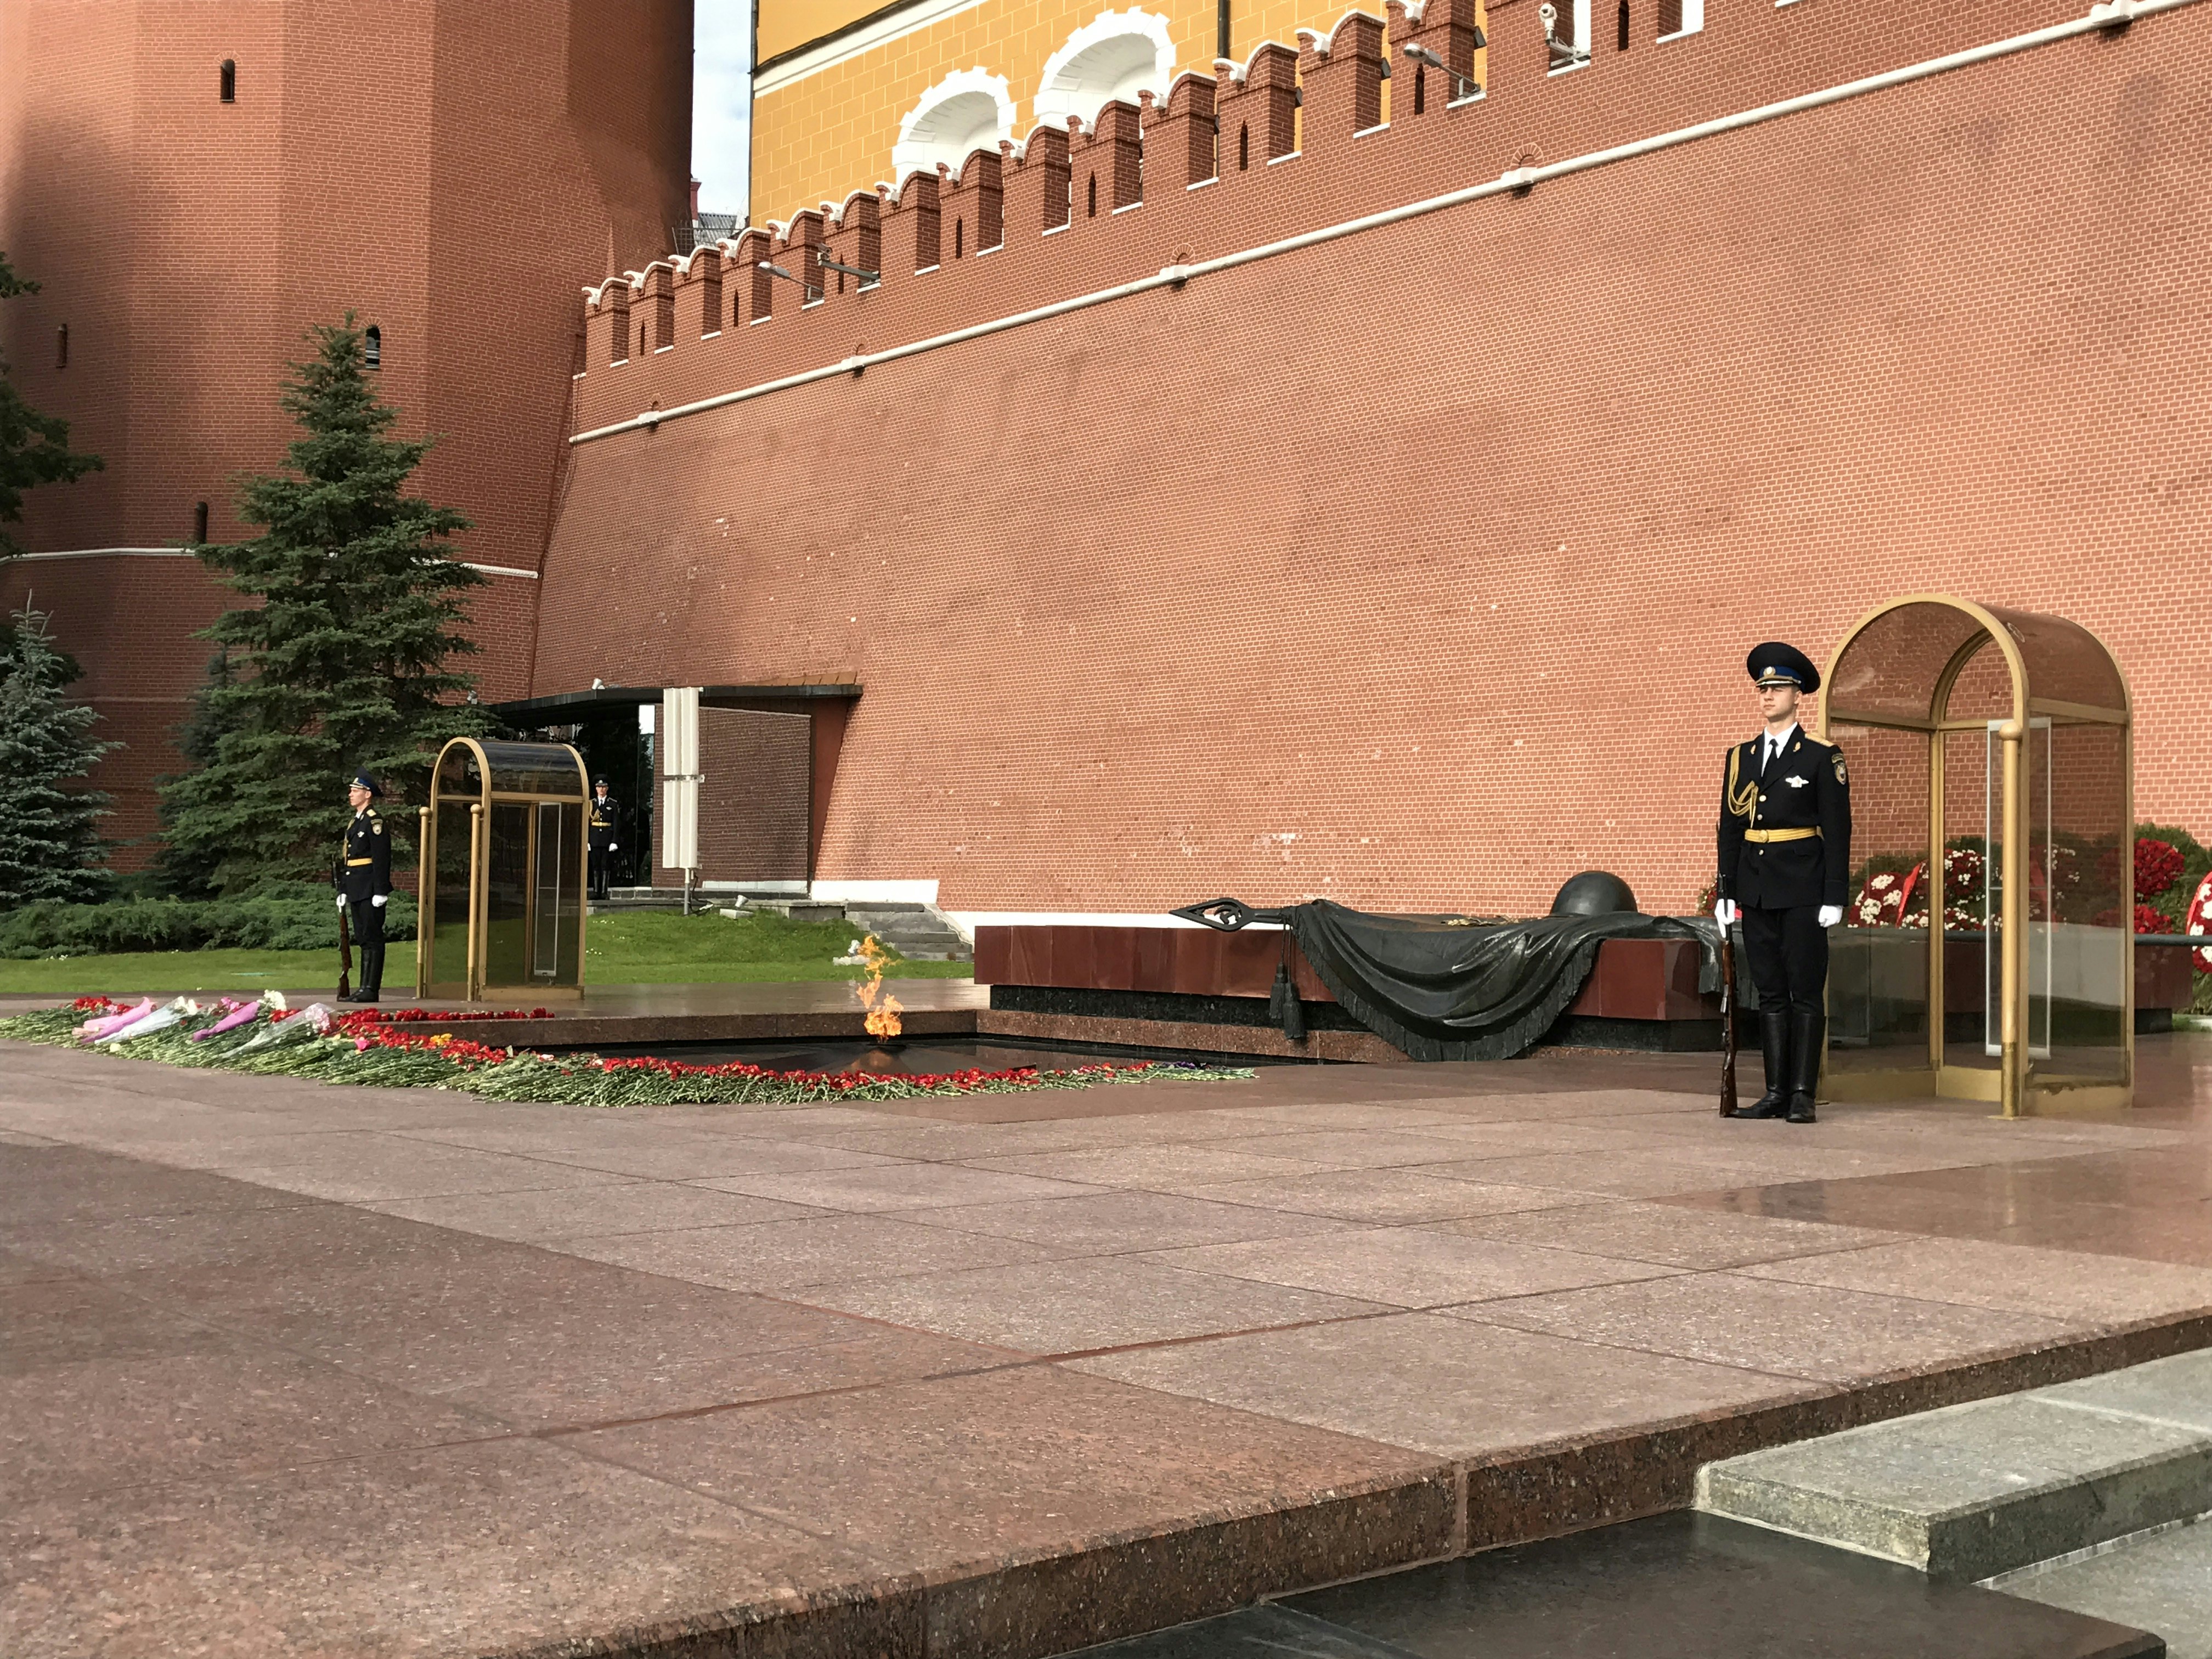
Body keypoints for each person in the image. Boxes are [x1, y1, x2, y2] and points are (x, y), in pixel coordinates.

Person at [1714, 643, 1851, 1123]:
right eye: (1763, 688)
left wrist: (1836, 894)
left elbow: (1838, 829)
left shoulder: (1819, 756)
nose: (1767, 696)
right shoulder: (1742, 757)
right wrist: (1725, 891)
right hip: (1755, 888)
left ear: (1798, 695)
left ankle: (1801, 1094)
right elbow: (1730, 829)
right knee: (1769, 992)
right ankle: (1774, 1091)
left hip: (1804, 888)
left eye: (1777, 688)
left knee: (1805, 991)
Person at [334, 770, 393, 1003]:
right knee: (362, 938)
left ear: (367, 795)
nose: (351, 794)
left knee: (372, 937)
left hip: (370, 888)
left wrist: (380, 890)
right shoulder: (356, 822)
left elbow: (381, 857)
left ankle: (371, 988)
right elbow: (349, 861)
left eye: (355, 791)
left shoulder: (374, 821)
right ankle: (363, 988)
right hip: (357, 887)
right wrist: (344, 890)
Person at [588, 776, 619, 901]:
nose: (601, 790)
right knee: (595, 866)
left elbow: (616, 824)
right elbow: (587, 823)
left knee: (605, 866)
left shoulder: (613, 804)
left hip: (607, 839)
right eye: (599, 787)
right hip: (594, 839)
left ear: (607, 789)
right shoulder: (591, 804)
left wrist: (614, 841)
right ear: (596, 789)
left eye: (604, 787)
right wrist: (587, 841)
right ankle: (596, 891)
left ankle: (604, 892)